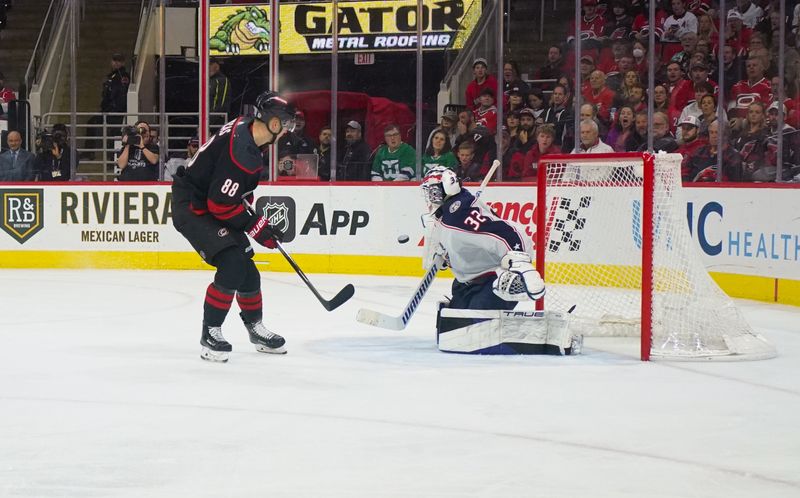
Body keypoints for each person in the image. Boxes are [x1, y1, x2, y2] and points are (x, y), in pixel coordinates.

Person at [171, 91, 296, 362]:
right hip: (193, 207)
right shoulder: (243, 153)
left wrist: (255, 222)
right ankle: (210, 332)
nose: (287, 130)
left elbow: (233, 192)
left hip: (209, 200)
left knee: (248, 272)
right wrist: (257, 227)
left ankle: (255, 329)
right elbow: (220, 205)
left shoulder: (247, 131)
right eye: (286, 124)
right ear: (273, 123)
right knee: (233, 265)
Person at [420, 167, 577, 355]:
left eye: (435, 192)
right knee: (451, 331)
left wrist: (521, 262)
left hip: (492, 278)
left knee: (471, 334)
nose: (431, 198)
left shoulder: (459, 214)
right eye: (428, 193)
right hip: (468, 281)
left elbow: (506, 232)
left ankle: (547, 332)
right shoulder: (449, 212)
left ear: (448, 187)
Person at [209, 58, 231, 124]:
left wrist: (210, 121)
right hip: (208, 118)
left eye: (210, 65)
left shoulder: (221, 80)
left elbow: (221, 103)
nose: (208, 67)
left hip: (217, 120)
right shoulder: (210, 80)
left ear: (217, 66)